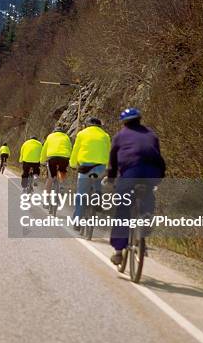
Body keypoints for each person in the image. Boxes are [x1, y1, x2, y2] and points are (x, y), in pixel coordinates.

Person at [107, 108, 166, 265]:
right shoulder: (151, 134)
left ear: (124, 122)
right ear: (139, 119)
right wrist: (159, 177)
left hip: (131, 173)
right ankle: (145, 218)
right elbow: (159, 159)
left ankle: (119, 251)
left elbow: (113, 162)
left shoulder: (119, 137)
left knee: (122, 208)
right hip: (152, 172)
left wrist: (111, 179)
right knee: (148, 195)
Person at [70, 117, 111, 228]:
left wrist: (73, 164)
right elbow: (109, 152)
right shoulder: (105, 136)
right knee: (98, 185)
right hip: (100, 166)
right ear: (99, 126)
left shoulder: (82, 134)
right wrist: (108, 167)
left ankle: (77, 221)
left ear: (87, 125)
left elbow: (76, 150)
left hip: (85, 166)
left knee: (81, 193)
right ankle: (98, 197)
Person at [40, 126, 72, 193]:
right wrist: (71, 161)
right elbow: (70, 149)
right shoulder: (66, 137)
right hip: (64, 157)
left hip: (52, 157)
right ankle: (62, 184)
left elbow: (44, 150)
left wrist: (42, 160)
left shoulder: (50, 136)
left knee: (50, 178)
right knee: (62, 171)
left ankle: (46, 198)